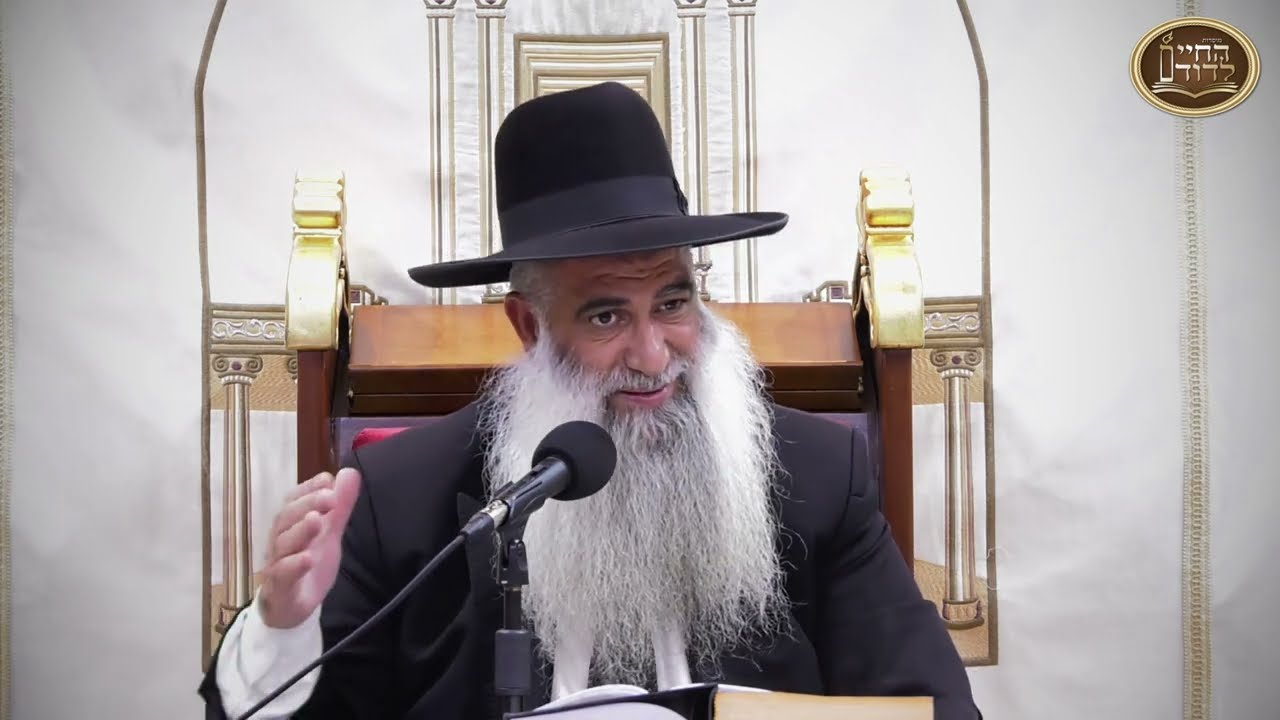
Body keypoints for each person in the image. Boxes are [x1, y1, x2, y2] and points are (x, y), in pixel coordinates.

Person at [199, 81, 980, 720]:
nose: (653, 356)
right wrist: (283, 625)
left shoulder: (819, 476)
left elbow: (930, 710)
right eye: (606, 316)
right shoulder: (400, 502)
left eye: (673, 302)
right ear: (528, 325)